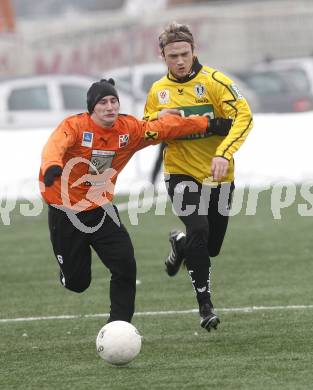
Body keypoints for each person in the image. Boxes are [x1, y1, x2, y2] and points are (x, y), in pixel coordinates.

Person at [39, 78, 232, 325]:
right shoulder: (75, 126)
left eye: (113, 101)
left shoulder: (128, 129)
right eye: (103, 103)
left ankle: (119, 325)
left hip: (101, 209)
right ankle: (68, 275)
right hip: (65, 211)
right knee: (78, 283)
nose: (110, 107)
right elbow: (54, 147)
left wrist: (210, 124)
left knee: (125, 265)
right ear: (91, 108)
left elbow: (167, 128)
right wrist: (52, 167)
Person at [144, 22, 254, 332]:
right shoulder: (158, 91)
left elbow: (243, 118)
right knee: (199, 228)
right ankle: (205, 305)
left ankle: (179, 244)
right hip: (179, 172)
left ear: (194, 51)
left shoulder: (216, 82)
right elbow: (147, 130)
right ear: (162, 56)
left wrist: (223, 153)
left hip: (219, 175)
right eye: (172, 56)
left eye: (184, 54)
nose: (179, 61)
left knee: (210, 246)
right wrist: (157, 123)